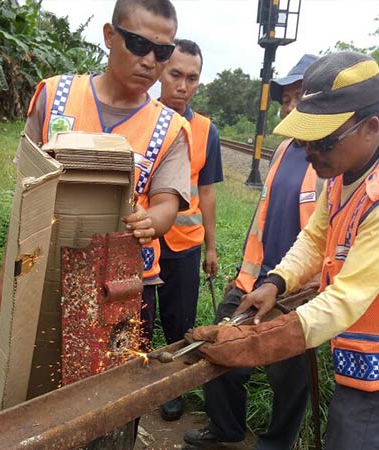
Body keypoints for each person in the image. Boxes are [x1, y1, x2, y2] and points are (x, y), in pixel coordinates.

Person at [189, 51, 379, 450]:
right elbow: (316, 237)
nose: (310, 152)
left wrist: (256, 343)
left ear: (369, 127)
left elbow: (346, 298)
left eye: (323, 141)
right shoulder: (345, 169)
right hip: (369, 337)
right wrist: (277, 283)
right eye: (304, 139)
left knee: (357, 436)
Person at [19, 0, 192, 345]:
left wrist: (152, 221)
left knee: (111, 387)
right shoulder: (54, 97)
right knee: (37, 378)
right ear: (110, 36)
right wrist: (12, 276)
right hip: (44, 271)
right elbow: (25, 190)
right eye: (139, 45)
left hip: (123, 286)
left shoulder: (170, 129)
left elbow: (166, 203)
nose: (149, 61)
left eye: (162, 52)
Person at [183, 54, 319, 450]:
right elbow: (262, 218)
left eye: (298, 98)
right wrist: (245, 273)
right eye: (285, 99)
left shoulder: (331, 161)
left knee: (288, 374)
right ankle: (225, 427)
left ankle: (276, 443)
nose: (288, 107)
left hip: (299, 291)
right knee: (221, 352)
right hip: (255, 280)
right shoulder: (283, 152)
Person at [155, 39, 224, 422]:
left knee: (179, 323)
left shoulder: (206, 131)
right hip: (141, 244)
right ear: (161, 72)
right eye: (176, 74)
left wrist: (211, 248)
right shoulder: (142, 120)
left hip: (184, 246)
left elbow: (208, 192)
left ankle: (172, 388)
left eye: (192, 78)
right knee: (136, 316)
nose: (183, 85)